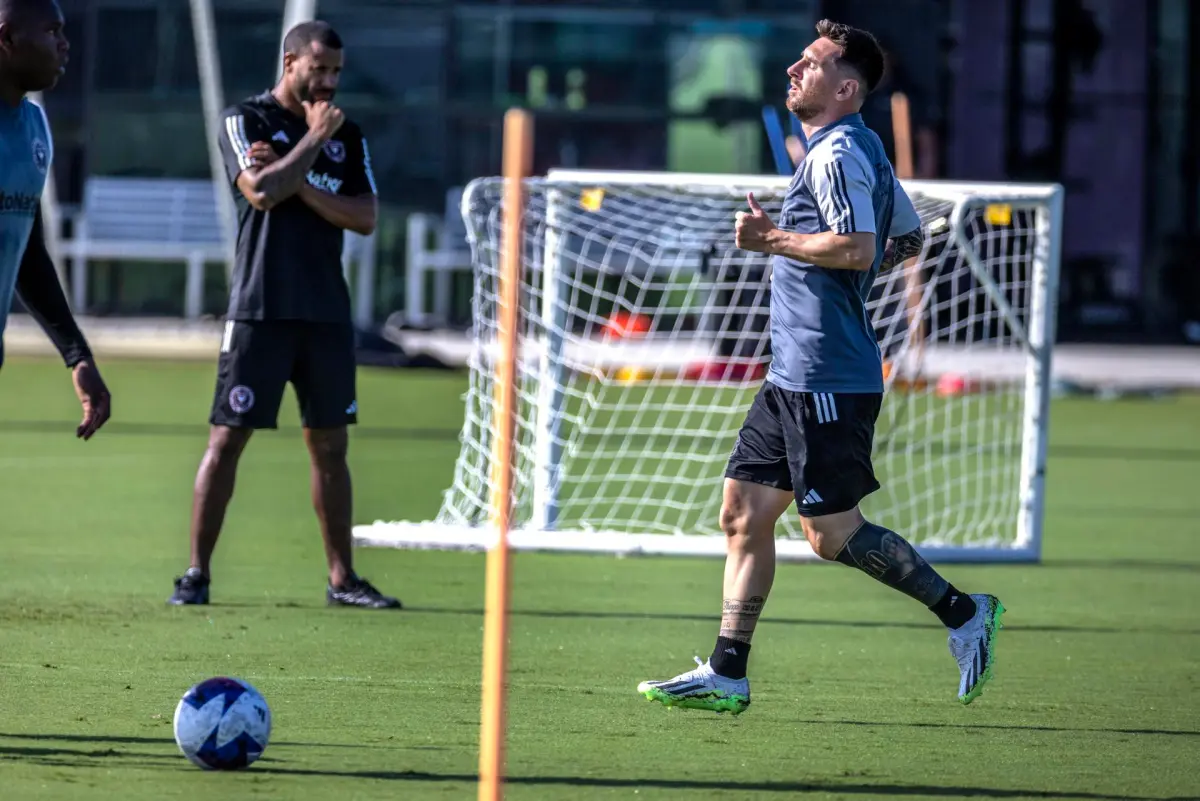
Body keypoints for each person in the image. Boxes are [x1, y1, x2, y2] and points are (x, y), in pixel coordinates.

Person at [637, 19, 1002, 714]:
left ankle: (964, 613)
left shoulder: (838, 153)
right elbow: (909, 238)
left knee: (830, 535)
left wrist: (770, 238)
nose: (791, 73)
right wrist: (832, 271)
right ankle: (727, 671)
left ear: (846, 87)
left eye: (809, 64)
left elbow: (863, 248)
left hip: (828, 376)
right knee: (743, 513)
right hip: (794, 374)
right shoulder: (855, 147)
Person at [168, 20, 399, 609]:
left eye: (336, 73)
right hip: (259, 308)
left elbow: (366, 216)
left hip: (324, 312)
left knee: (330, 448)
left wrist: (299, 173)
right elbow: (261, 191)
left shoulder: (349, 136)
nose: (327, 83)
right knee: (228, 439)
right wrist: (310, 145)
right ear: (290, 62)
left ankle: (342, 579)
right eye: (317, 69)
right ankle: (196, 574)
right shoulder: (245, 121)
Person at [0, 0, 110, 436]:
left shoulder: (34, 127)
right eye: (52, 32)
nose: (65, 45)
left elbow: (26, 249)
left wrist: (76, 354)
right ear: (6, 38)